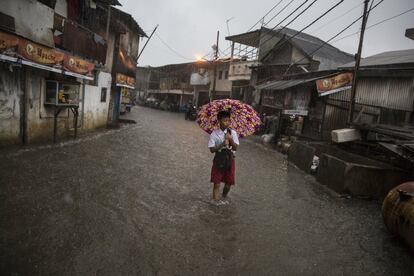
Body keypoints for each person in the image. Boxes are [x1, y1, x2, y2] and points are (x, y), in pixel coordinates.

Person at [208, 110, 239, 204]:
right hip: (218, 160)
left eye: (228, 120)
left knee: (228, 183)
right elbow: (212, 150)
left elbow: (235, 148)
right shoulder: (214, 134)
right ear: (219, 121)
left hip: (230, 160)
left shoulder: (232, 133)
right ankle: (216, 203)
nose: (227, 123)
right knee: (216, 183)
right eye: (225, 120)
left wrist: (230, 140)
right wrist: (222, 144)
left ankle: (224, 197)